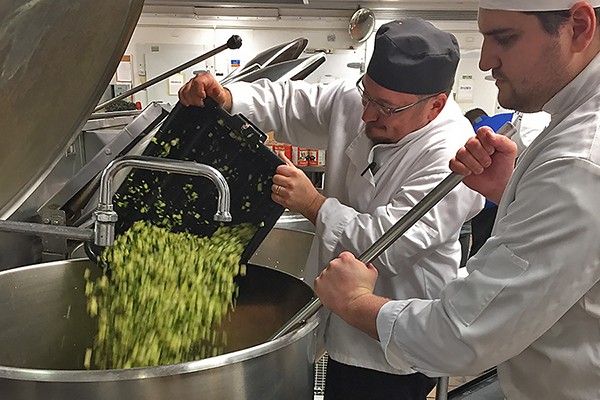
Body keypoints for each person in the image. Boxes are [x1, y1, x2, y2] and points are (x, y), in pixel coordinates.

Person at [179, 18, 483, 400]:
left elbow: (388, 247)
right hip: (339, 311)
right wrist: (229, 98)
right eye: (367, 97)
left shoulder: (452, 155)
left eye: (385, 108)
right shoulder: (359, 102)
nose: (367, 115)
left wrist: (314, 205)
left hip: (394, 331)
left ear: (435, 105)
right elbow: (289, 103)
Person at [314, 1, 600, 399]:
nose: (485, 62)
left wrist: (356, 302)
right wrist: (510, 192)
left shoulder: (581, 157)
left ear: (580, 27)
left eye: (504, 38)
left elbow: (461, 336)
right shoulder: (574, 124)